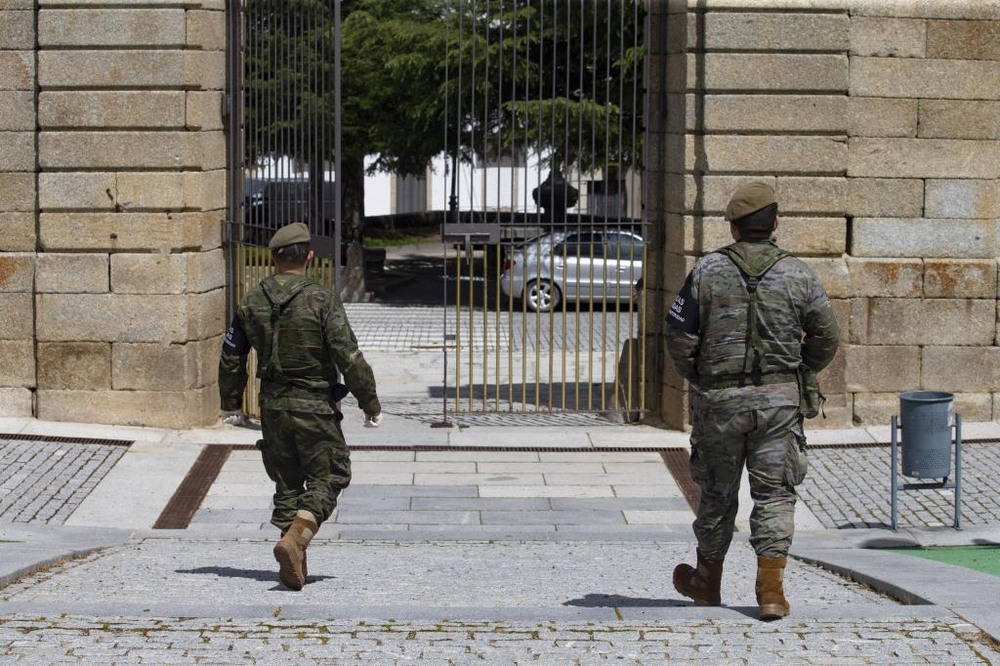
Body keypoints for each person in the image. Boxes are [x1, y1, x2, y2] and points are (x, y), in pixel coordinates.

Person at [664, 182, 840, 621]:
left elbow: (679, 334)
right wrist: (802, 371)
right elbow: (827, 334)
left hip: (721, 402)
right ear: (776, 222)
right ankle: (771, 591)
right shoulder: (798, 273)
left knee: (717, 494)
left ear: (733, 226)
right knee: (776, 494)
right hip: (780, 403)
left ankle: (707, 581)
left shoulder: (707, 271)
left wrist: (702, 375)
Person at [218, 222, 382, 591]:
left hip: (273, 408)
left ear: (273, 257)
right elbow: (349, 356)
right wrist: (369, 402)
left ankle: (292, 562)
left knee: (287, 482)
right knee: (331, 475)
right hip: (314, 406)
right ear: (309, 256)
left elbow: (231, 356)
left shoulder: (250, 301)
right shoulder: (322, 300)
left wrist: (230, 402)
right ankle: (296, 540)